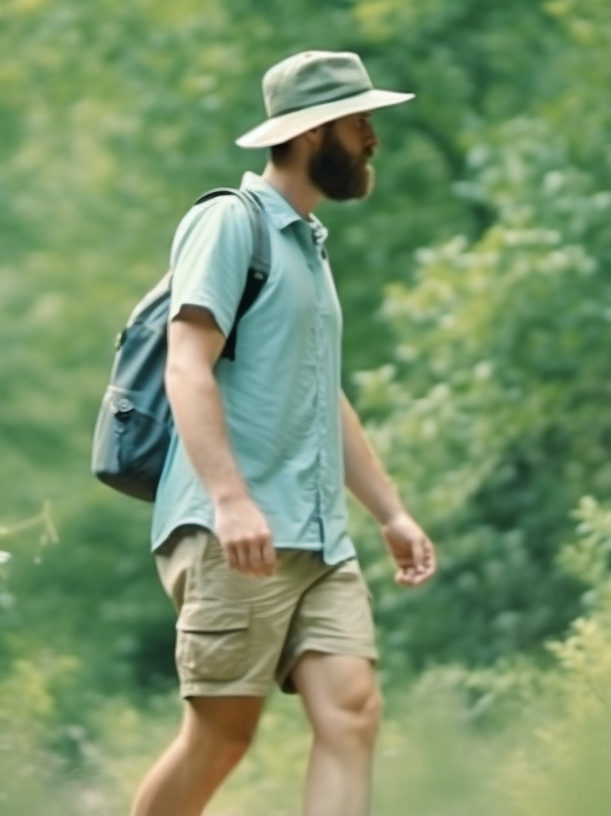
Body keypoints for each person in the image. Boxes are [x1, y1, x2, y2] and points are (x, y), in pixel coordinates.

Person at [129, 51, 438, 816]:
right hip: (232, 529)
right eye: (360, 121)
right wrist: (231, 500)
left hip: (319, 538)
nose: (373, 137)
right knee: (222, 735)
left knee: (353, 711)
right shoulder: (228, 224)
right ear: (311, 133)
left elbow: (321, 396)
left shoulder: (309, 244)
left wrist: (390, 513)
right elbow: (186, 367)